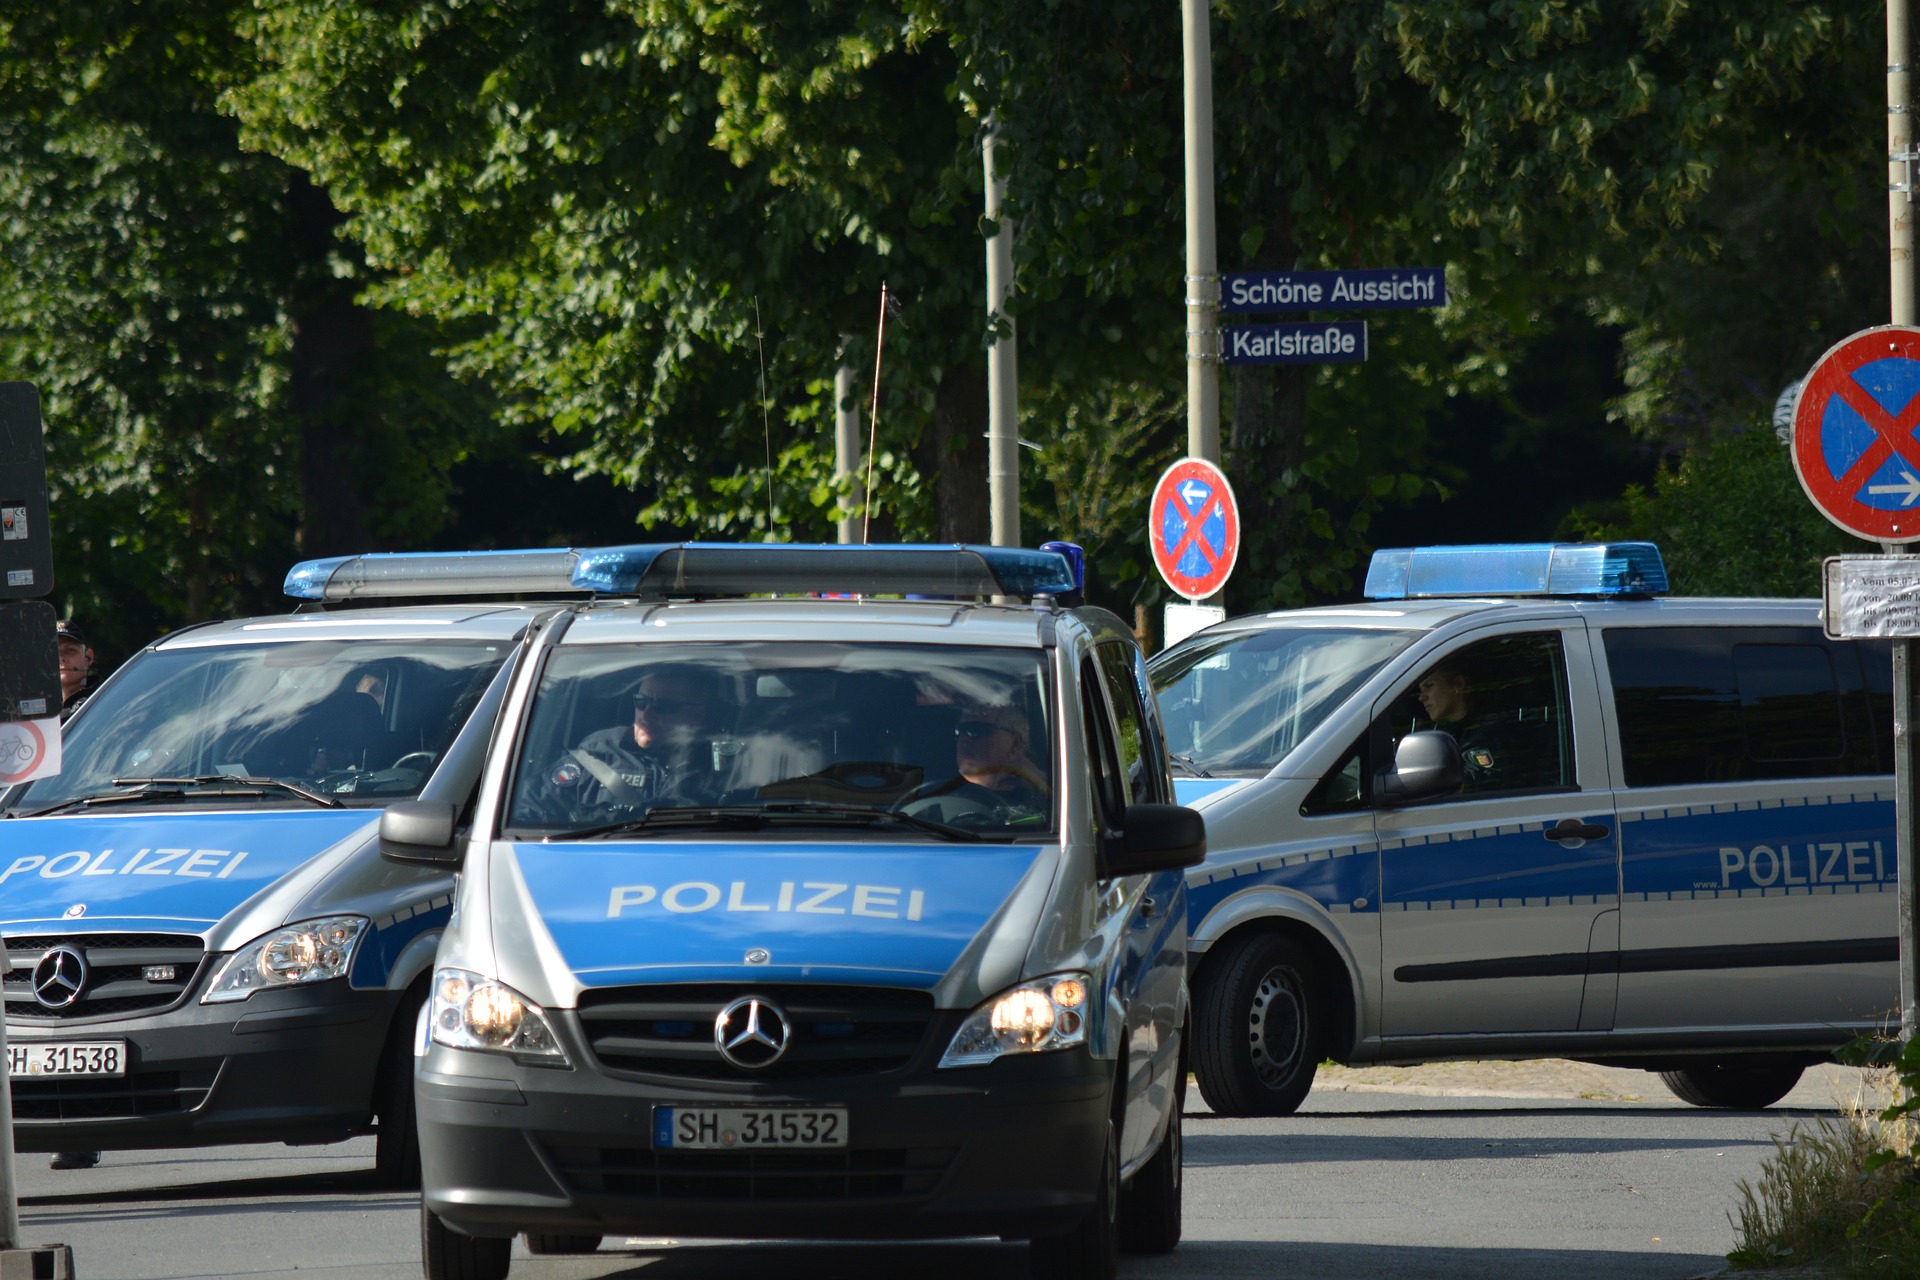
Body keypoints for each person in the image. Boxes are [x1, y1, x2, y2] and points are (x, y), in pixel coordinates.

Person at [530, 665, 724, 823]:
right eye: (641, 702)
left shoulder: (723, 764)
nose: (646, 715)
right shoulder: (596, 754)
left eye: (663, 706)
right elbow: (531, 809)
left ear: (696, 716)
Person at [52, 619, 104, 1171]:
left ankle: (77, 1128)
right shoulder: (26, 716)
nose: (63, 660)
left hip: (83, 854)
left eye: (71, 651)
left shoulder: (105, 708)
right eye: (56, 652)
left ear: (89, 656)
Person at [904, 699, 1049, 826]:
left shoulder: (1047, 804)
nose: (963, 739)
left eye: (977, 731)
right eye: (959, 731)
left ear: (1015, 744)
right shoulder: (929, 794)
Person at [1414, 660, 1525, 793]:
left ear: (1459, 684)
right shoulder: (1433, 736)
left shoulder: (1494, 734)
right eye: (1420, 690)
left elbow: (1494, 788)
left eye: (1429, 686)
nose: (1421, 697)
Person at [56, 620, 98, 723]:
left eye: (70, 650)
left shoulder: (103, 699)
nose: (61, 658)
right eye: (52, 651)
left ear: (88, 657)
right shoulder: (30, 709)